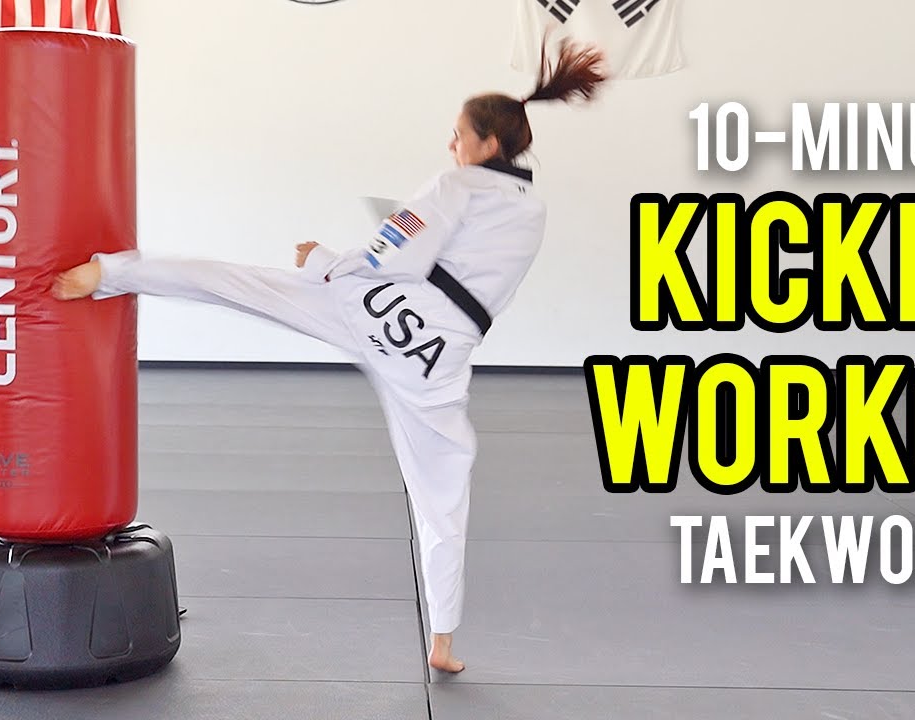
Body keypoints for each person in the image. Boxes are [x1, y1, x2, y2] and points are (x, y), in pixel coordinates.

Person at [52, 37, 608, 674]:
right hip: (438, 359)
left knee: (238, 284)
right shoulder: (533, 208)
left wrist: (324, 262)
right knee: (444, 495)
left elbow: (395, 251)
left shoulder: (457, 182)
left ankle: (108, 274)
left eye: (458, 135)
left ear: (486, 144)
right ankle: (443, 640)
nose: (450, 144)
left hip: (380, 313)